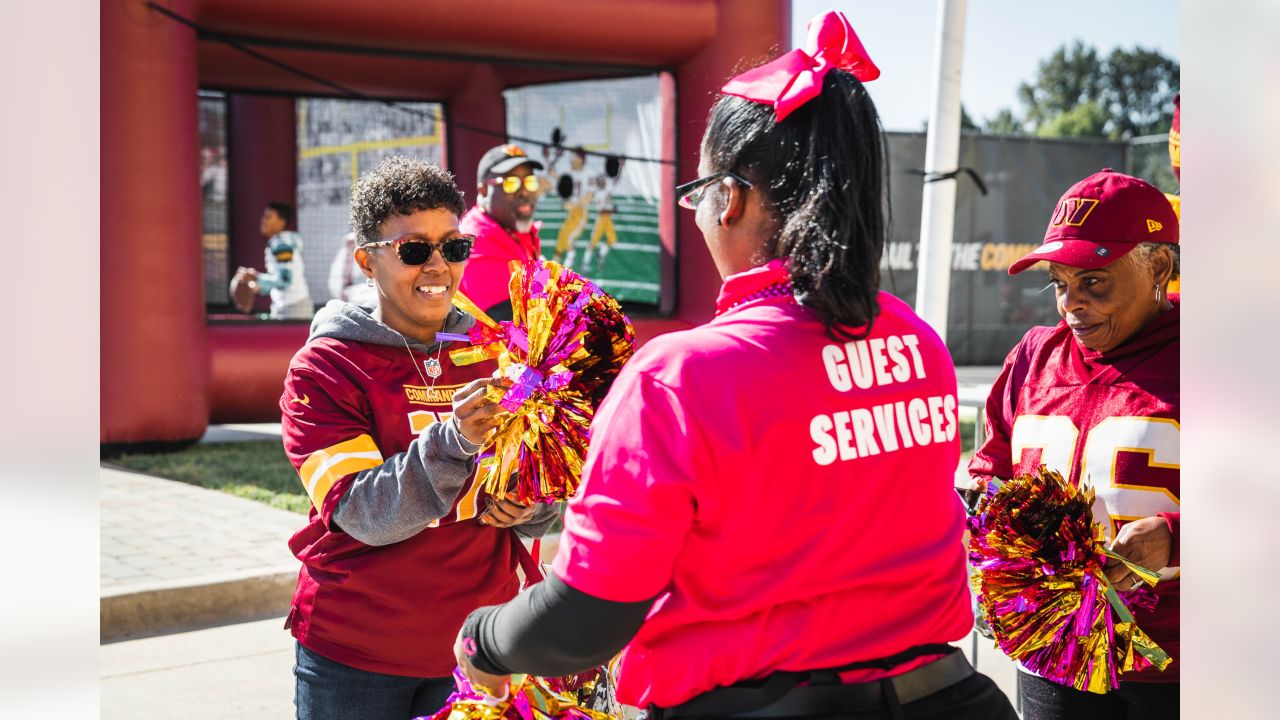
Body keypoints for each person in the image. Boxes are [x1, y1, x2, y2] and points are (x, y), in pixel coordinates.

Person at [452, 11, 1016, 720]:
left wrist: (484, 639)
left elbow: (588, 619)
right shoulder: (915, 342)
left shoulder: (679, 380)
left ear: (733, 198)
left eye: (697, 194)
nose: (695, 215)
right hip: (951, 700)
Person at [279, 156, 560, 720]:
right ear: (367, 260)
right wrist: (454, 440)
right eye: (414, 250)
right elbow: (363, 511)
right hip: (357, 653)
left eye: (453, 248)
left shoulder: (493, 352)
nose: (438, 266)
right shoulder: (324, 368)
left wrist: (530, 503)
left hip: (480, 647)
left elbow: (539, 498)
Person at [967, 169, 1181, 719]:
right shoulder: (1035, 356)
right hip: (1055, 655)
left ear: (1158, 265)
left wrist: (1175, 539)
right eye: (1060, 283)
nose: (1071, 304)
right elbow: (991, 473)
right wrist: (998, 557)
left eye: (1094, 281)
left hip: (1178, 661)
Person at [457, 144, 546, 321]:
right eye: (510, 183)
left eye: (530, 181)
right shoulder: (476, 241)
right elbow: (513, 325)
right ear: (483, 190)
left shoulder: (509, 226)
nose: (524, 191)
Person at [231, 202, 314, 319]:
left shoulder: (281, 244)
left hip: (294, 308)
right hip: (289, 307)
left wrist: (256, 278)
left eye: (268, 217)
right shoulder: (281, 242)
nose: (263, 221)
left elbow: (285, 279)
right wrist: (258, 287)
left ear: (281, 222)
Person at [327, 231, 377, 306]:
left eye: (354, 242)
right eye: (350, 242)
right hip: (346, 294)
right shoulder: (343, 256)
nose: (352, 244)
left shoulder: (362, 253)